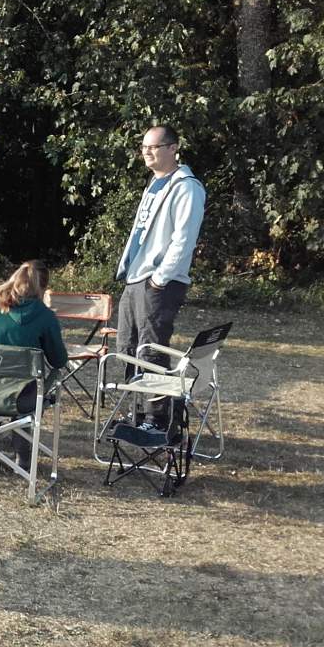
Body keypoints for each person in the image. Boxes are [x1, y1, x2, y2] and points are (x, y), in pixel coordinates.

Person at [114, 125, 206, 430]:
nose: (146, 153)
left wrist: (161, 278)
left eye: (153, 147)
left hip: (159, 282)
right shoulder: (155, 183)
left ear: (173, 148)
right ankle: (140, 410)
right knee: (128, 348)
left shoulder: (187, 186)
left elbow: (184, 239)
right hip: (135, 278)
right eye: (143, 148)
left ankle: (159, 418)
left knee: (152, 350)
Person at [0, 260, 68, 471]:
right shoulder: (45, 317)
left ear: (13, 277)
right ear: (43, 288)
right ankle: (23, 458)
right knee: (24, 386)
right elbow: (58, 361)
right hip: (20, 396)